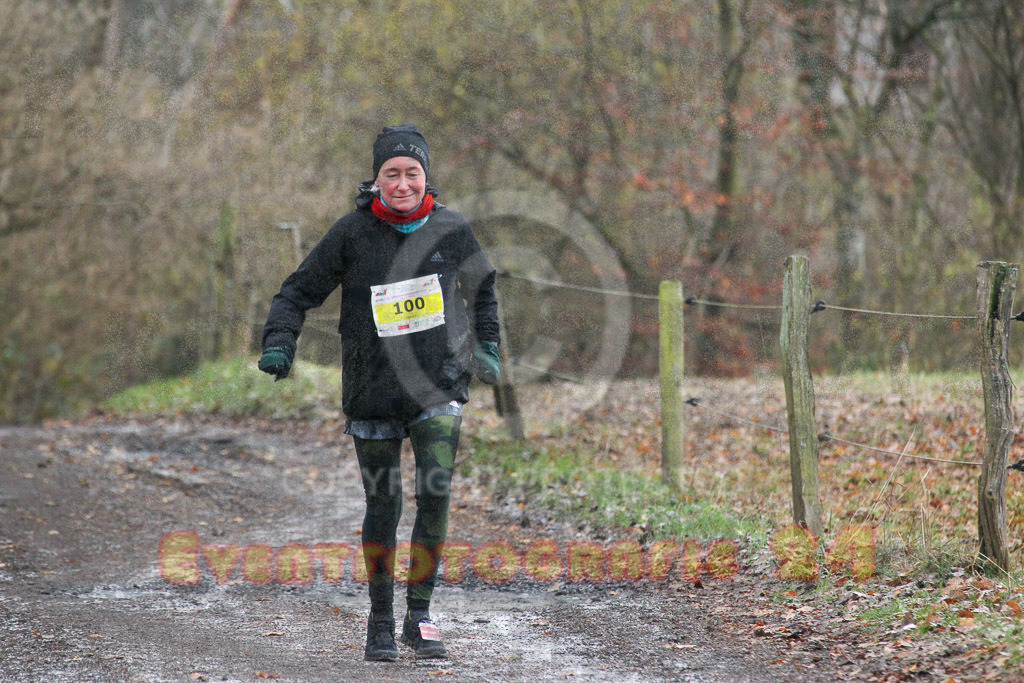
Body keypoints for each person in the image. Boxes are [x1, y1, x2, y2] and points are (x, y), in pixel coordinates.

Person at [257, 124, 500, 661]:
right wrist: (280, 342)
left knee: (435, 492)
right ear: (376, 180)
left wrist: (488, 346)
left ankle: (421, 615)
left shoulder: (451, 229)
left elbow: (484, 288)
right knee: (384, 505)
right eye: (392, 173)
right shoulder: (351, 233)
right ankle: (382, 619)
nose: (403, 183)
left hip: (438, 386)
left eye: (413, 172)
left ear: (426, 176)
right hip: (372, 390)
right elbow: (295, 293)